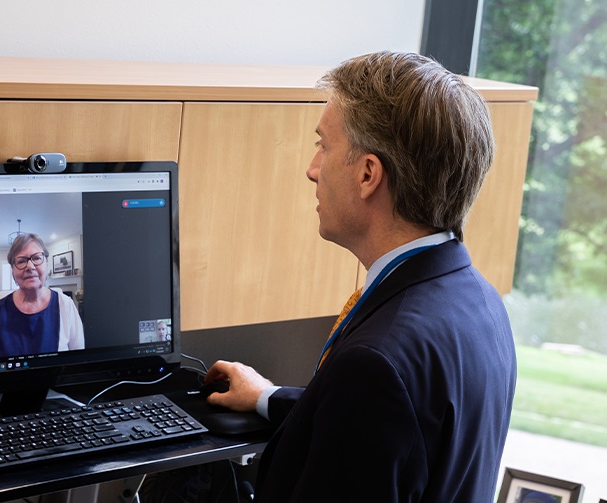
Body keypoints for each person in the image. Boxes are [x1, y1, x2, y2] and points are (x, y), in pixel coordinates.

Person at [203, 51, 516, 502]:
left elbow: (376, 399)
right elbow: (396, 430)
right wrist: (268, 397)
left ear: (369, 174)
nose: (312, 170)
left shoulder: (375, 364)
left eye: (323, 146)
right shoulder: (480, 303)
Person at [0, 233, 84, 358]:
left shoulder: (66, 305)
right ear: (13, 271)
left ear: (47, 264)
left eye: (37, 258)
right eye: (21, 261)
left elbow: (78, 362)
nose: (30, 266)